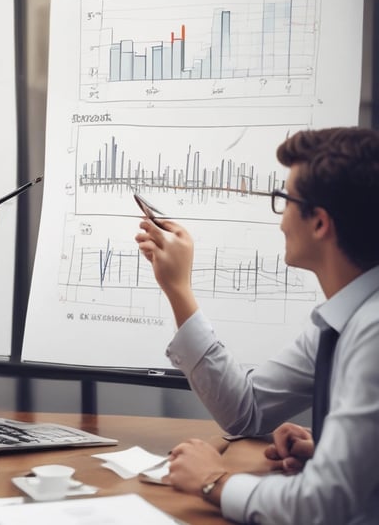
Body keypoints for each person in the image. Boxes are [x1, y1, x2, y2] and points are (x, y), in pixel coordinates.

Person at [135, 127, 379, 524]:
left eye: (284, 200)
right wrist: (178, 290)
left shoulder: (372, 331)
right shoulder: (341, 320)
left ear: (319, 223)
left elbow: (325, 505)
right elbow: (246, 412)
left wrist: (214, 480)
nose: (281, 219)